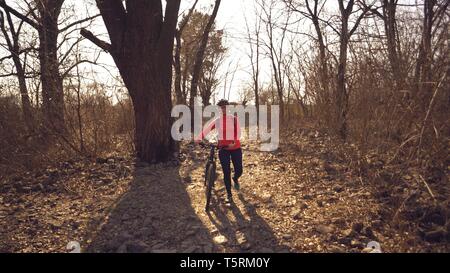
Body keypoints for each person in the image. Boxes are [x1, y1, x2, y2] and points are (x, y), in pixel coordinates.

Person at [194, 99, 243, 205]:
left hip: (235, 148)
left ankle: (235, 178)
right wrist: (198, 139)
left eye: (225, 107)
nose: (223, 109)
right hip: (223, 149)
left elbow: (238, 133)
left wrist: (233, 141)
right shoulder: (217, 121)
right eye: (221, 107)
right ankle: (229, 195)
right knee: (226, 172)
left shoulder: (234, 119)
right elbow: (206, 130)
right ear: (219, 109)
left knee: (239, 170)